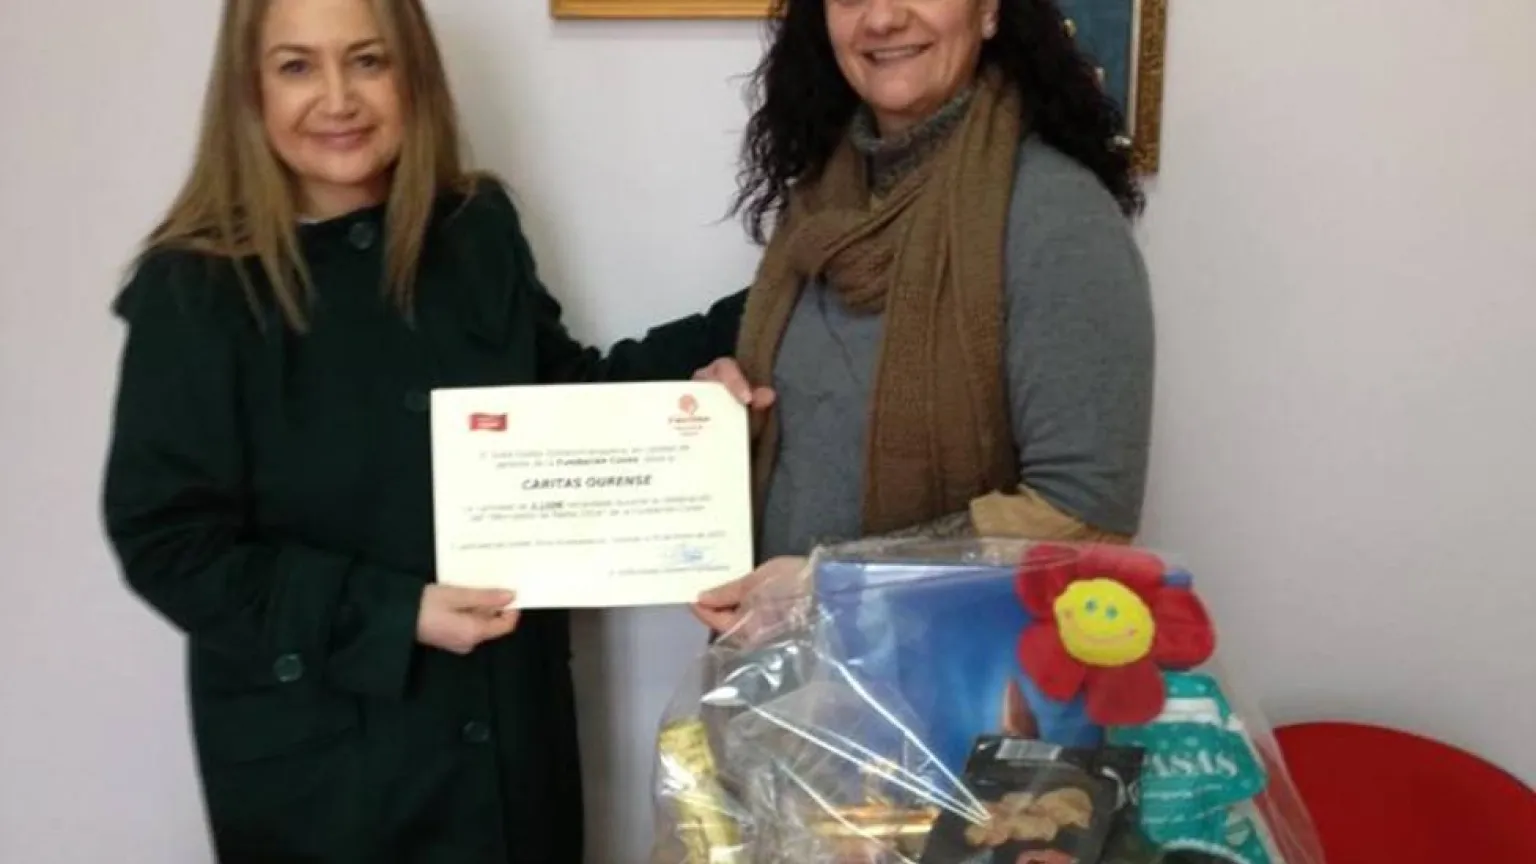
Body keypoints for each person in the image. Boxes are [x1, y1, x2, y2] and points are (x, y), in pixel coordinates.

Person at [99, 1, 742, 862]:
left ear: (414, 76)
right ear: (249, 91)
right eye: (297, 66)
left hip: (509, 762)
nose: (338, 97)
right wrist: (393, 614)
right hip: (328, 787)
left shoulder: (475, 230)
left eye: (368, 60)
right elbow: (169, 543)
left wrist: (707, 375)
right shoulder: (195, 288)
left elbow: (558, 406)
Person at [690, 0, 1155, 634]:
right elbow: (822, 428)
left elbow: (1085, 514)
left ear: (989, 12)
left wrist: (835, 585)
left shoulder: (1058, 214)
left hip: (958, 676)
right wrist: (724, 417)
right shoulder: (822, 203)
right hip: (786, 667)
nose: (881, 19)